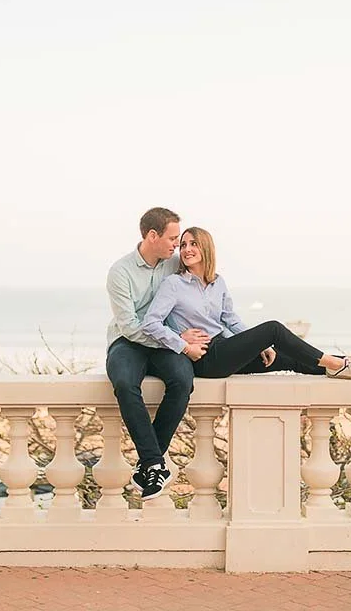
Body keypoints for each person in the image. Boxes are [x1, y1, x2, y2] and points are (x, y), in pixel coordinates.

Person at [142, 227, 351, 380]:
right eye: (183, 245)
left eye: (193, 243)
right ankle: (339, 364)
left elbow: (231, 320)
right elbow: (150, 323)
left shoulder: (218, 282)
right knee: (273, 329)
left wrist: (256, 343)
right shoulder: (173, 285)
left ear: (206, 247)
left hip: (225, 348)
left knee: (286, 358)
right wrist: (183, 343)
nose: (186, 249)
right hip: (206, 358)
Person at [105, 207, 211, 500]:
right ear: (152, 236)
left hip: (167, 341)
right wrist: (177, 340)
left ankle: (150, 462)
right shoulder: (120, 272)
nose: (178, 245)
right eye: (173, 238)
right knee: (125, 384)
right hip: (130, 341)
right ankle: (153, 461)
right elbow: (129, 326)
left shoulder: (175, 264)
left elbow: (206, 287)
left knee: (182, 380)